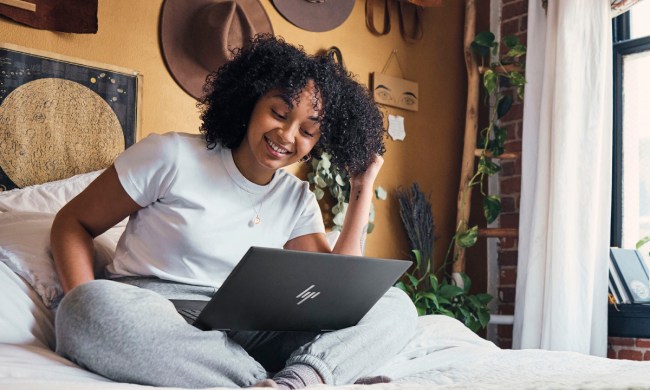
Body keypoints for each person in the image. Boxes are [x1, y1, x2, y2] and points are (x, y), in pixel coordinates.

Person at [51, 35, 417, 389]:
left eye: (307, 130)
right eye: (279, 113)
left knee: (395, 306)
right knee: (85, 307)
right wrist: (82, 299)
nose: (287, 136)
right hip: (158, 317)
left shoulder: (297, 198)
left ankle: (294, 382)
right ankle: (259, 381)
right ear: (251, 100)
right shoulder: (170, 155)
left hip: (251, 330)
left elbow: (339, 296)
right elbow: (73, 222)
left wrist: (362, 186)